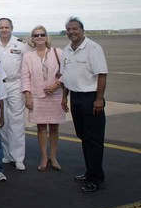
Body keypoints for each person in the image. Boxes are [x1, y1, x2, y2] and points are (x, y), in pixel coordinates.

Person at [61, 17, 108, 194]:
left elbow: (102, 74)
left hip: (91, 99)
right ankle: (91, 172)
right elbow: (65, 76)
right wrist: (64, 97)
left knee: (93, 140)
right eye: (68, 29)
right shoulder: (67, 50)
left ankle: (95, 178)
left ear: (82, 30)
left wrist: (99, 99)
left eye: (75, 29)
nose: (71, 32)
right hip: (76, 98)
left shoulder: (93, 48)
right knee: (83, 136)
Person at [0, 17, 31, 171]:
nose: (4, 30)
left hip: (15, 84)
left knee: (17, 121)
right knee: (2, 120)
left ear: (12, 28)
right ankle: (6, 154)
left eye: (7, 27)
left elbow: (28, 65)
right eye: (1, 27)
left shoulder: (21, 44)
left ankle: (18, 157)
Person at [21, 25, 65, 172]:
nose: (39, 37)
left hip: (55, 95)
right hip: (37, 96)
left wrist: (56, 85)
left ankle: (53, 156)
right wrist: (27, 96)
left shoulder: (58, 52)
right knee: (40, 127)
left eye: (42, 34)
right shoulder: (28, 56)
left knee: (54, 126)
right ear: (32, 38)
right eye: (36, 35)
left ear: (47, 37)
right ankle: (44, 157)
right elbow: (25, 77)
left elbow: (67, 72)